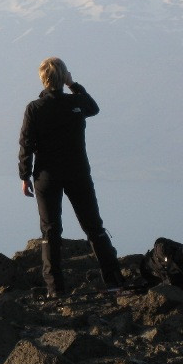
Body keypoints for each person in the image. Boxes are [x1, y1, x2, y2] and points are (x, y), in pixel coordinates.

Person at [18, 58, 124, 297]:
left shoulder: (35, 108)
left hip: (46, 176)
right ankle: (114, 280)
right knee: (94, 227)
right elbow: (94, 108)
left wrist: (24, 175)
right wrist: (73, 84)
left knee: (50, 231)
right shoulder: (76, 102)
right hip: (78, 173)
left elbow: (26, 143)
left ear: (43, 79)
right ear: (63, 77)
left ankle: (55, 289)